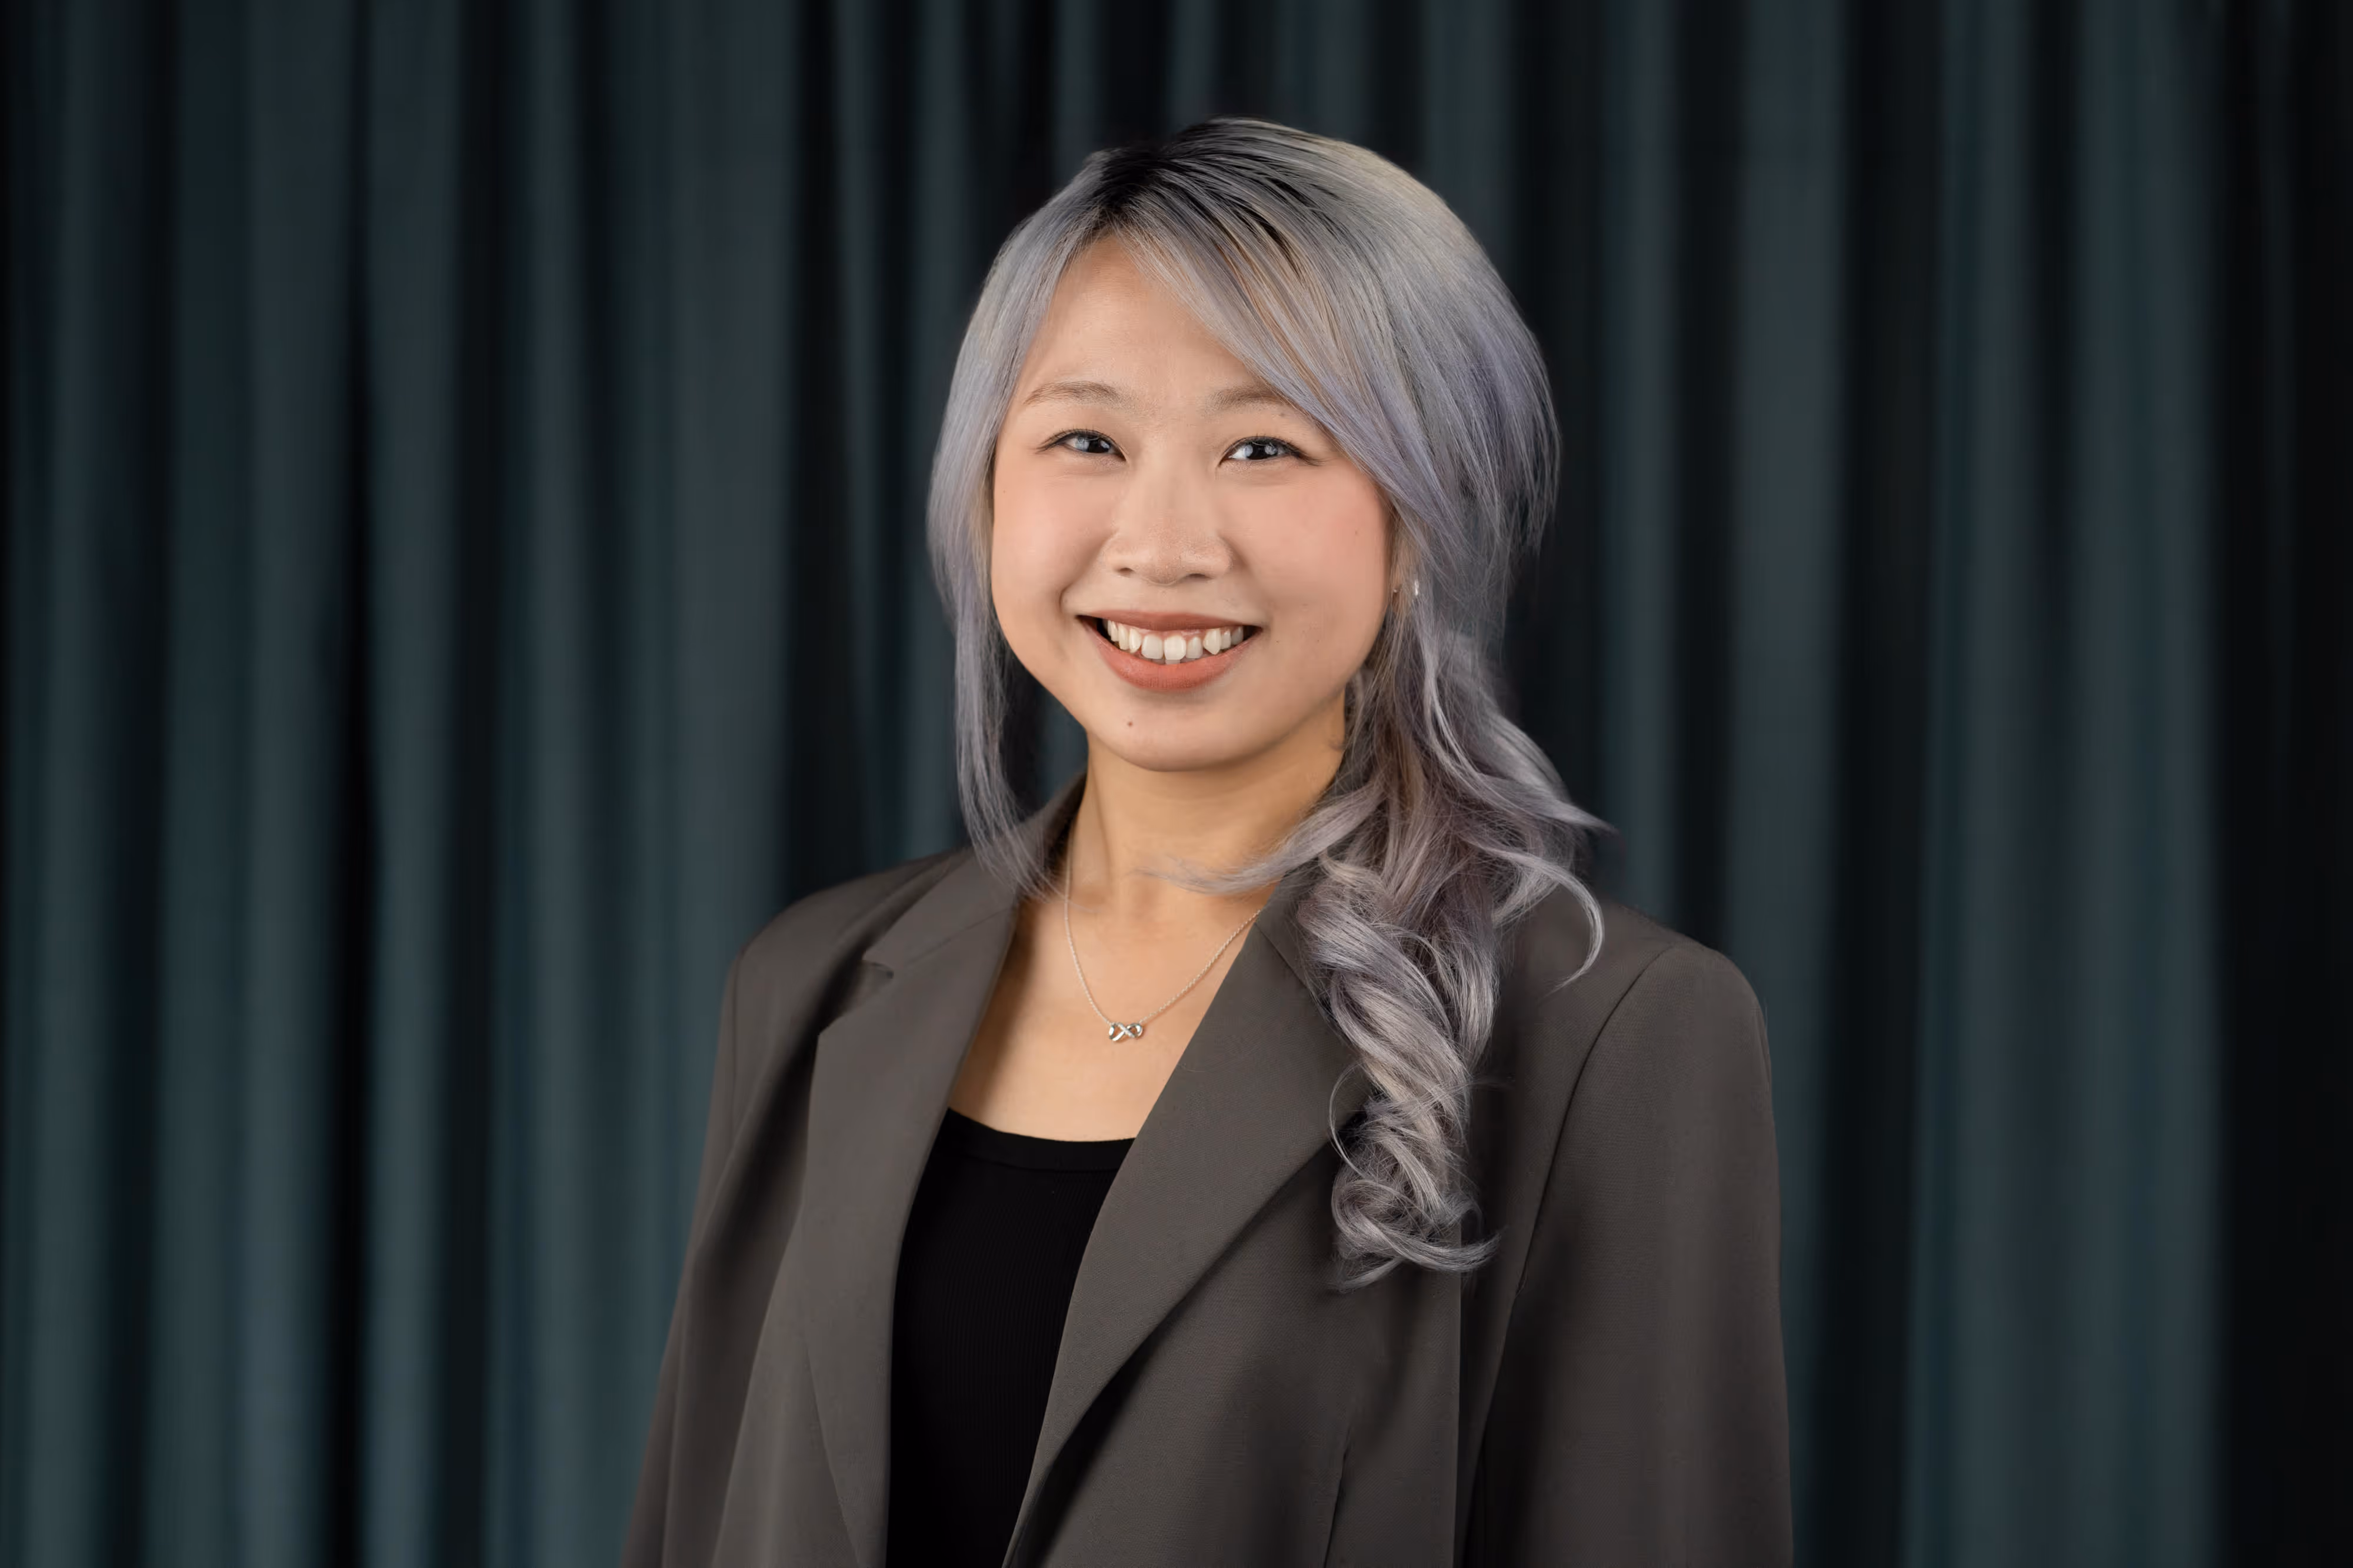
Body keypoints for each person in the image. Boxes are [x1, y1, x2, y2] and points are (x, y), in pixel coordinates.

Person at [622, 117, 1789, 1567]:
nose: (1162, 543)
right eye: (1086, 440)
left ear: (1413, 521)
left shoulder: (1610, 1035)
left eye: (1262, 444)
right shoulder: (811, 981)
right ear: (988, 486)